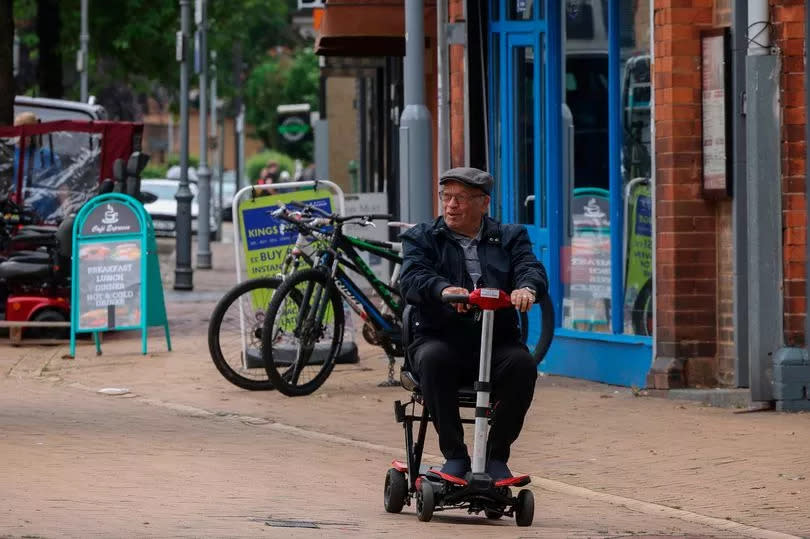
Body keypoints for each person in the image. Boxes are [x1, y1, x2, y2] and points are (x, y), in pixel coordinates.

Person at [398, 167, 548, 480]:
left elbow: (530, 268)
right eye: (446, 197)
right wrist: (444, 289)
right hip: (441, 339)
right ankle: (455, 457)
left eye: (461, 198)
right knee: (433, 359)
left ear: (484, 203)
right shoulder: (422, 237)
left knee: (522, 365)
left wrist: (526, 289)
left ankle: (495, 458)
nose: (451, 205)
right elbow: (412, 278)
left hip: (496, 344)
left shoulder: (510, 237)